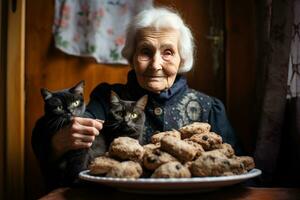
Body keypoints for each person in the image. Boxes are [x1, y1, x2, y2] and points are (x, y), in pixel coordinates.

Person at [32, 7, 241, 190]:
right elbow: (72, 126)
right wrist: (58, 141)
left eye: (168, 52)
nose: (155, 65)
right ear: (132, 56)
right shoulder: (107, 99)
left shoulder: (209, 108)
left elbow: (237, 169)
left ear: (182, 58)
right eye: (145, 52)